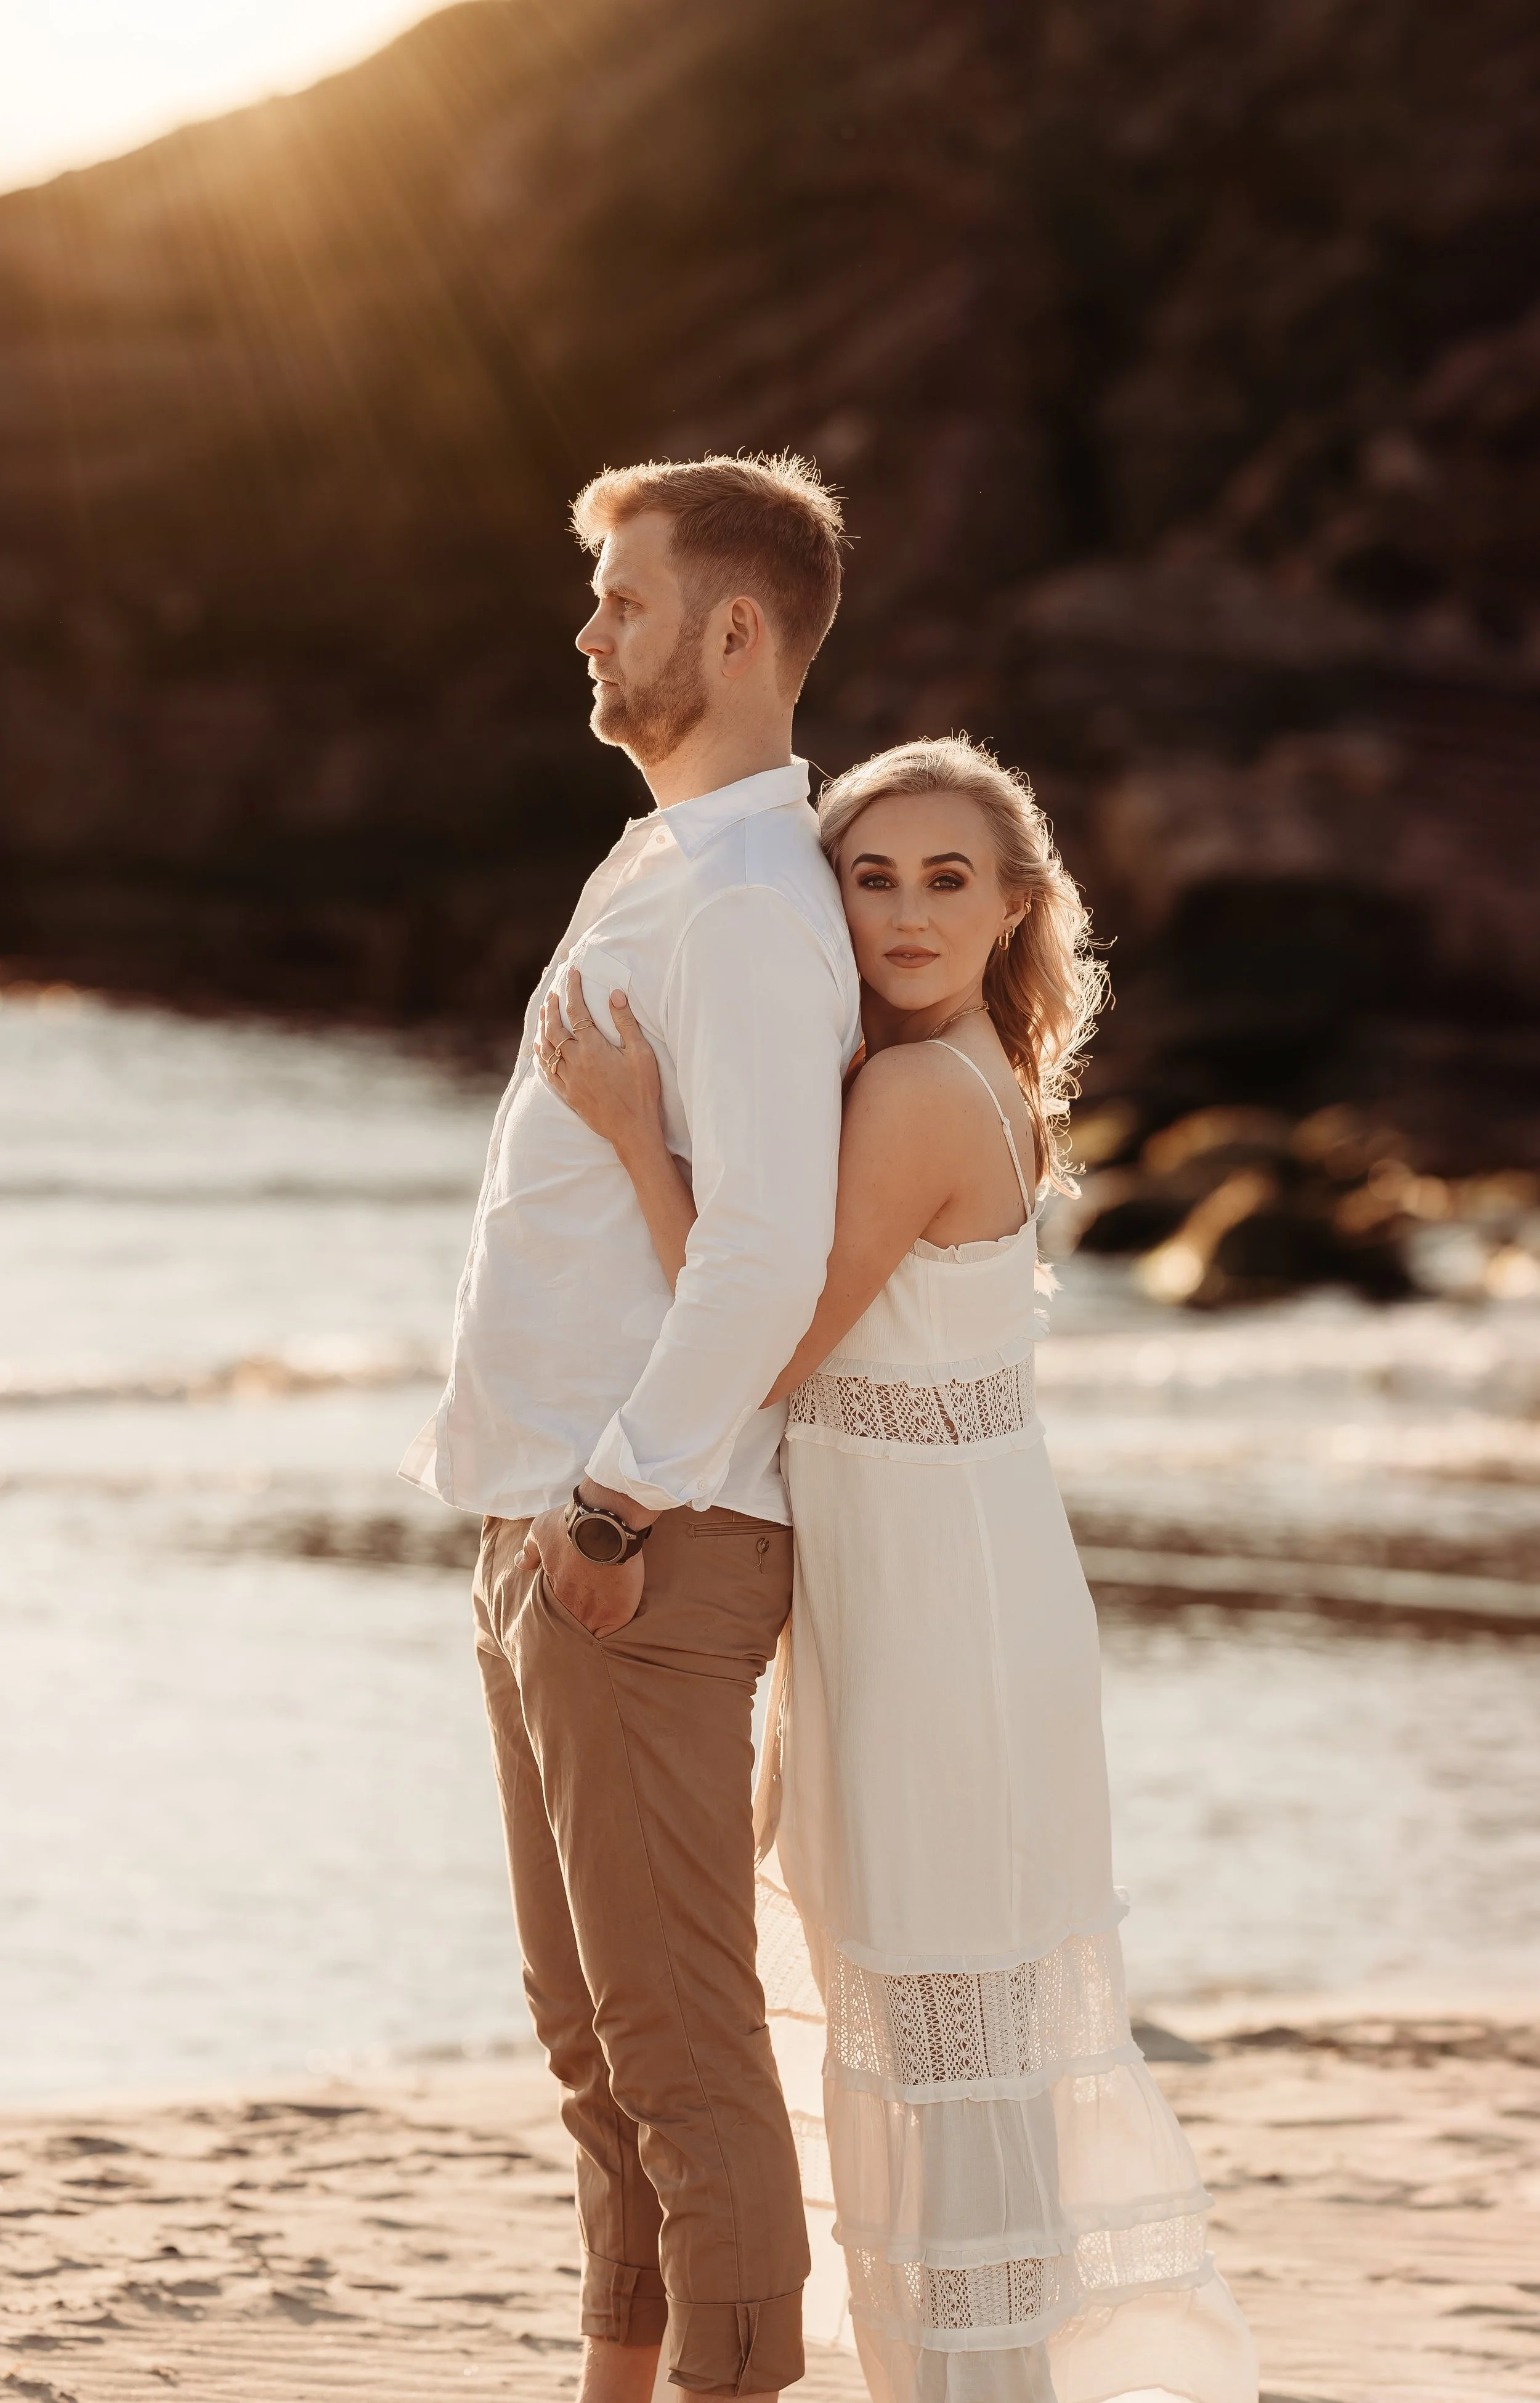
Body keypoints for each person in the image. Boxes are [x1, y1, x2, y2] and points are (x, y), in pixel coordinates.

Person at [542, 735, 1258, 2403]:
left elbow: (767, 1347)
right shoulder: (956, 1073)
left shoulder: (921, 1092)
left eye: (949, 879)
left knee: (954, 2052)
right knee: (962, 2049)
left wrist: (635, 1134)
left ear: (1016, 909)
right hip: (949, 1595)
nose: (908, 912)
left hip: (943, 1622)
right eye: (871, 877)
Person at [401, 453, 863, 2402]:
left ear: (734, 631)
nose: (586, 629)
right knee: (595, 2045)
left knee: (676, 2044)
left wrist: (611, 1501)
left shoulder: (748, 899)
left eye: (624, 597)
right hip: (551, 1523)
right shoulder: (665, 861)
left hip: (640, 1540)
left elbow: (766, 1246)